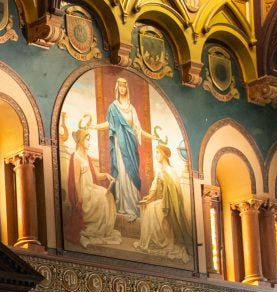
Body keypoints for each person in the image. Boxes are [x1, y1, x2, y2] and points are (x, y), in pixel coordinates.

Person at [92, 75, 151, 221]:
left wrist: (151, 136)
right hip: (119, 145)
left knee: (131, 173)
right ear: (117, 88)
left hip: (131, 146)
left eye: (125, 86)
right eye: (121, 86)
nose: (123, 88)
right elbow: (108, 124)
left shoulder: (131, 109)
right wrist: (94, 126)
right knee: (122, 172)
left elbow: (138, 128)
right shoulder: (113, 107)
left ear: (127, 89)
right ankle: (123, 207)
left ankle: (133, 207)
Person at [63, 115, 123, 248]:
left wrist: (107, 175)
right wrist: (79, 198)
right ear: (80, 141)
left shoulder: (87, 157)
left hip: (91, 187)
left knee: (108, 195)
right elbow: (77, 182)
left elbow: (96, 174)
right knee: (101, 197)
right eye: (87, 140)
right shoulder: (76, 157)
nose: (89, 142)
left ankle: (103, 230)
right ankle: (96, 229)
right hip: (84, 191)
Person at [132, 130, 190, 260]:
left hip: (169, 204)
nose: (156, 155)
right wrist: (149, 197)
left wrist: (169, 200)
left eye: (158, 153)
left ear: (164, 154)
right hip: (162, 202)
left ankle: (163, 242)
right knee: (149, 207)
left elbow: (176, 192)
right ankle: (153, 241)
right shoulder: (160, 172)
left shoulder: (170, 171)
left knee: (153, 209)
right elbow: (154, 188)